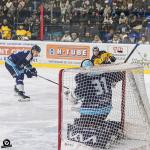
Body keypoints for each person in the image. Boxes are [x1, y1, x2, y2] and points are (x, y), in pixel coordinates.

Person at [65, 59, 125, 148]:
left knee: (82, 126)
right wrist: (113, 80)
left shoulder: (84, 78)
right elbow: (121, 75)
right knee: (96, 122)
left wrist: (69, 95)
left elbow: (76, 97)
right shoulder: (105, 73)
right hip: (106, 109)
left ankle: (98, 137)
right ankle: (111, 132)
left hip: (90, 112)